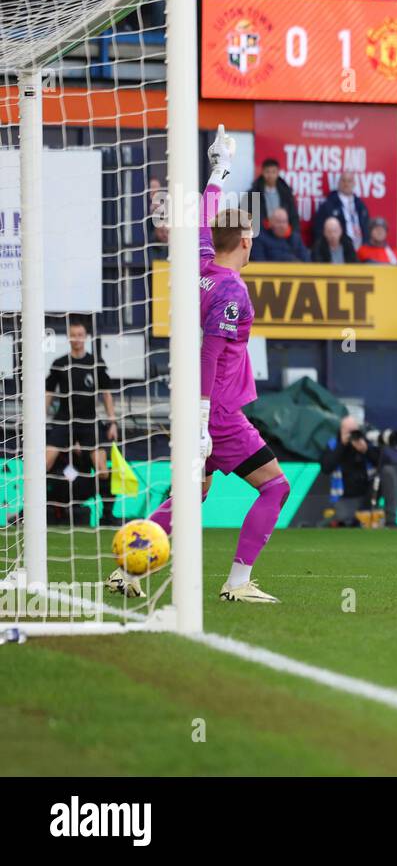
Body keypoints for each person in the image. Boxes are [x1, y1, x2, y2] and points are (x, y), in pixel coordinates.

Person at [128, 127, 288, 603]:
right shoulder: (233, 290)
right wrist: (202, 421)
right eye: (252, 238)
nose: (254, 245)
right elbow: (211, 354)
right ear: (242, 240)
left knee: (191, 494)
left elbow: (201, 220)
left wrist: (218, 172)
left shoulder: (200, 265)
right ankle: (238, 582)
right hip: (217, 411)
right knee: (275, 487)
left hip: (202, 408)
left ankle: (129, 569)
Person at [44, 317, 118, 523]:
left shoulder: (95, 362)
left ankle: (107, 515)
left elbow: (106, 393)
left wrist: (112, 421)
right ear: (68, 337)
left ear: (85, 337)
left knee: (103, 470)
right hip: (64, 420)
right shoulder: (59, 364)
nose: (76, 339)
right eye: (72, 335)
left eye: (79, 335)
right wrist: (39, 420)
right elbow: (48, 393)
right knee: (42, 464)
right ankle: (34, 511)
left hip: (89, 422)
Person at [321, 416, 382, 526]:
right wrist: (342, 445)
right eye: (348, 431)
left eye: (354, 431)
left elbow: (384, 462)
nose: (351, 435)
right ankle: (327, 523)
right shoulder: (334, 444)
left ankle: (391, 519)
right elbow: (326, 467)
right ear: (342, 430)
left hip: (367, 495)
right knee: (346, 520)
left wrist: (366, 450)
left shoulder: (364, 441)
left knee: (388, 472)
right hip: (345, 497)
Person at [313, 172, 369, 250]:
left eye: (349, 181)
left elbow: (366, 228)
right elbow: (318, 230)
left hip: (361, 248)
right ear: (338, 183)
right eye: (343, 181)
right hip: (340, 250)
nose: (346, 184)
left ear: (354, 184)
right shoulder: (328, 205)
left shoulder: (360, 205)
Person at [248, 157, 300, 240]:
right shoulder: (252, 194)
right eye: (267, 172)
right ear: (262, 172)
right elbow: (246, 217)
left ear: (278, 173)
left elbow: (294, 217)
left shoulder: (286, 193)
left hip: (284, 235)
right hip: (261, 236)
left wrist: (293, 234)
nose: (270, 175)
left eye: (273, 172)